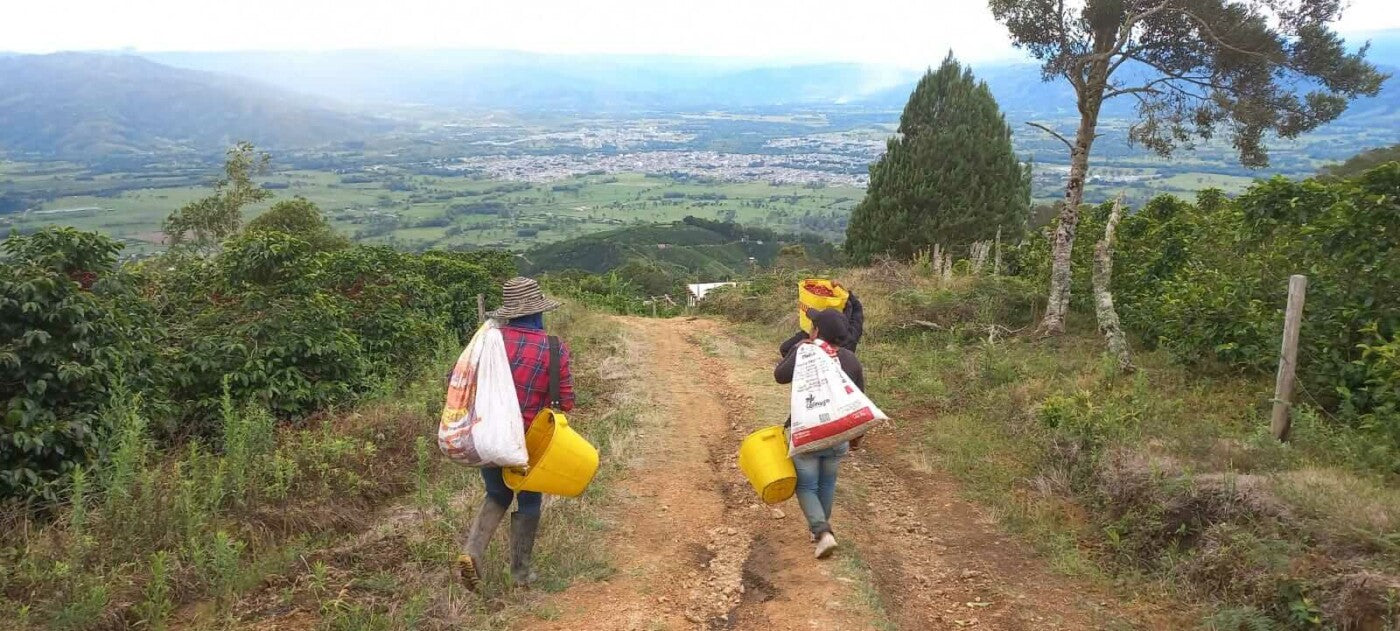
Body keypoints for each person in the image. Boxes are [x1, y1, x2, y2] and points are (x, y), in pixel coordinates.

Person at [459, 277, 575, 592]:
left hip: (487, 434)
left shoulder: (487, 342)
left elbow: (462, 382)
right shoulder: (553, 347)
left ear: (510, 313)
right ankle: (520, 573)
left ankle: (472, 552)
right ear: (537, 313)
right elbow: (565, 402)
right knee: (529, 500)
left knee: (497, 493)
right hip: (527, 441)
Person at [774, 307, 865, 559]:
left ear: (816, 331)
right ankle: (820, 532)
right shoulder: (851, 359)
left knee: (806, 485)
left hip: (808, 433)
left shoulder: (805, 352)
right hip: (838, 436)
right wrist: (856, 438)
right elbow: (860, 398)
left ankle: (822, 531)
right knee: (827, 482)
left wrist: (799, 347)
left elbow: (779, 375)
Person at [779, 283, 863, 357]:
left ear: (816, 332)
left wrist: (800, 344)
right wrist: (845, 293)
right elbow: (857, 308)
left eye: (814, 325)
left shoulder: (811, 350)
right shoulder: (853, 334)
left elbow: (784, 353)